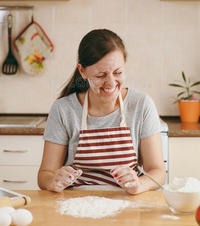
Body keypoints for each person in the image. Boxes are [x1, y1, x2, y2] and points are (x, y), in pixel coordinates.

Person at [38, 29, 166, 195]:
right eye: (100, 75)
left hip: (127, 201)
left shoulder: (141, 105)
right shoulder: (63, 109)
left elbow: (158, 171)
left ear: (125, 63)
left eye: (118, 72)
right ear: (82, 71)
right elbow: (44, 175)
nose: (111, 83)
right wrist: (53, 181)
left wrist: (140, 184)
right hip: (76, 203)